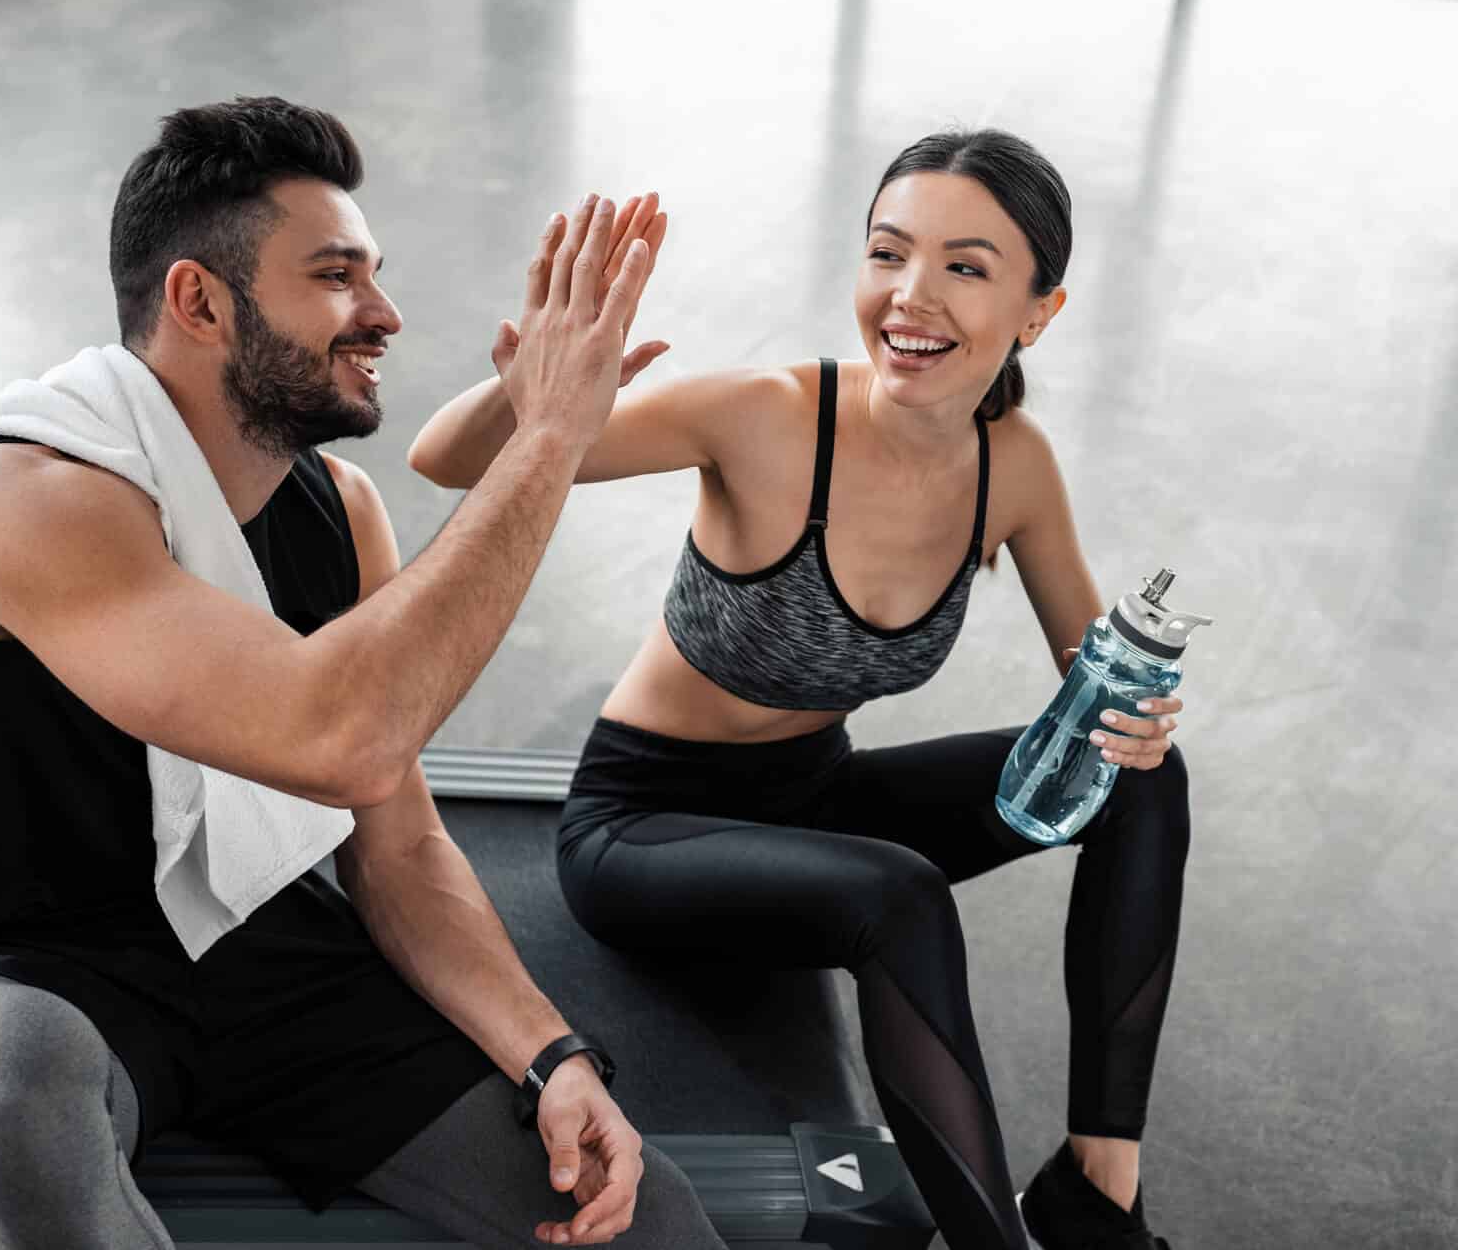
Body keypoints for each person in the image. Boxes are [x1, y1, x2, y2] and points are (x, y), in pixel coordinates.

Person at [0, 96, 728, 1250]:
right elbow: (330, 733)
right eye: (336, 276)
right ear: (200, 299)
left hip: (263, 960)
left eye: (374, 274)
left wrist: (549, 1052)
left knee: (643, 1228)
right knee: (10, 1104)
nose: (384, 313)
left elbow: (393, 840)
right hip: (2, 974)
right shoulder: (20, 501)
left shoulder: (340, 517)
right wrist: (547, 435)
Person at [410, 129, 1193, 1250]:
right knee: (899, 894)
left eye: (965, 268)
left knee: (1141, 782)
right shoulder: (765, 415)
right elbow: (446, 459)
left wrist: (1134, 717)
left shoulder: (1012, 467)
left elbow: (1093, 698)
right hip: (643, 828)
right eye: (887, 254)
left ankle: (1095, 1189)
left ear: (1038, 310)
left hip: (808, 798)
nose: (910, 296)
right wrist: (531, 391)